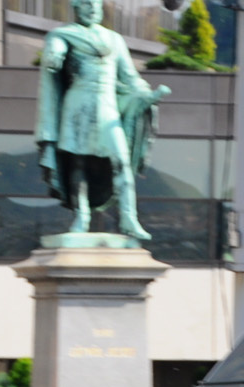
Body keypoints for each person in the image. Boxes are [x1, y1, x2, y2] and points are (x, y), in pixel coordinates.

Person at [35, 0, 170, 241]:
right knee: (78, 163)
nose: (93, 9)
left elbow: (130, 77)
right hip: (78, 105)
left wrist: (146, 93)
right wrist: (53, 57)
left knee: (121, 161)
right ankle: (82, 215)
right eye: (87, 4)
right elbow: (55, 52)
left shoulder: (114, 39)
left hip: (107, 107)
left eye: (97, 4)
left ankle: (129, 218)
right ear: (75, 6)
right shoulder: (63, 34)